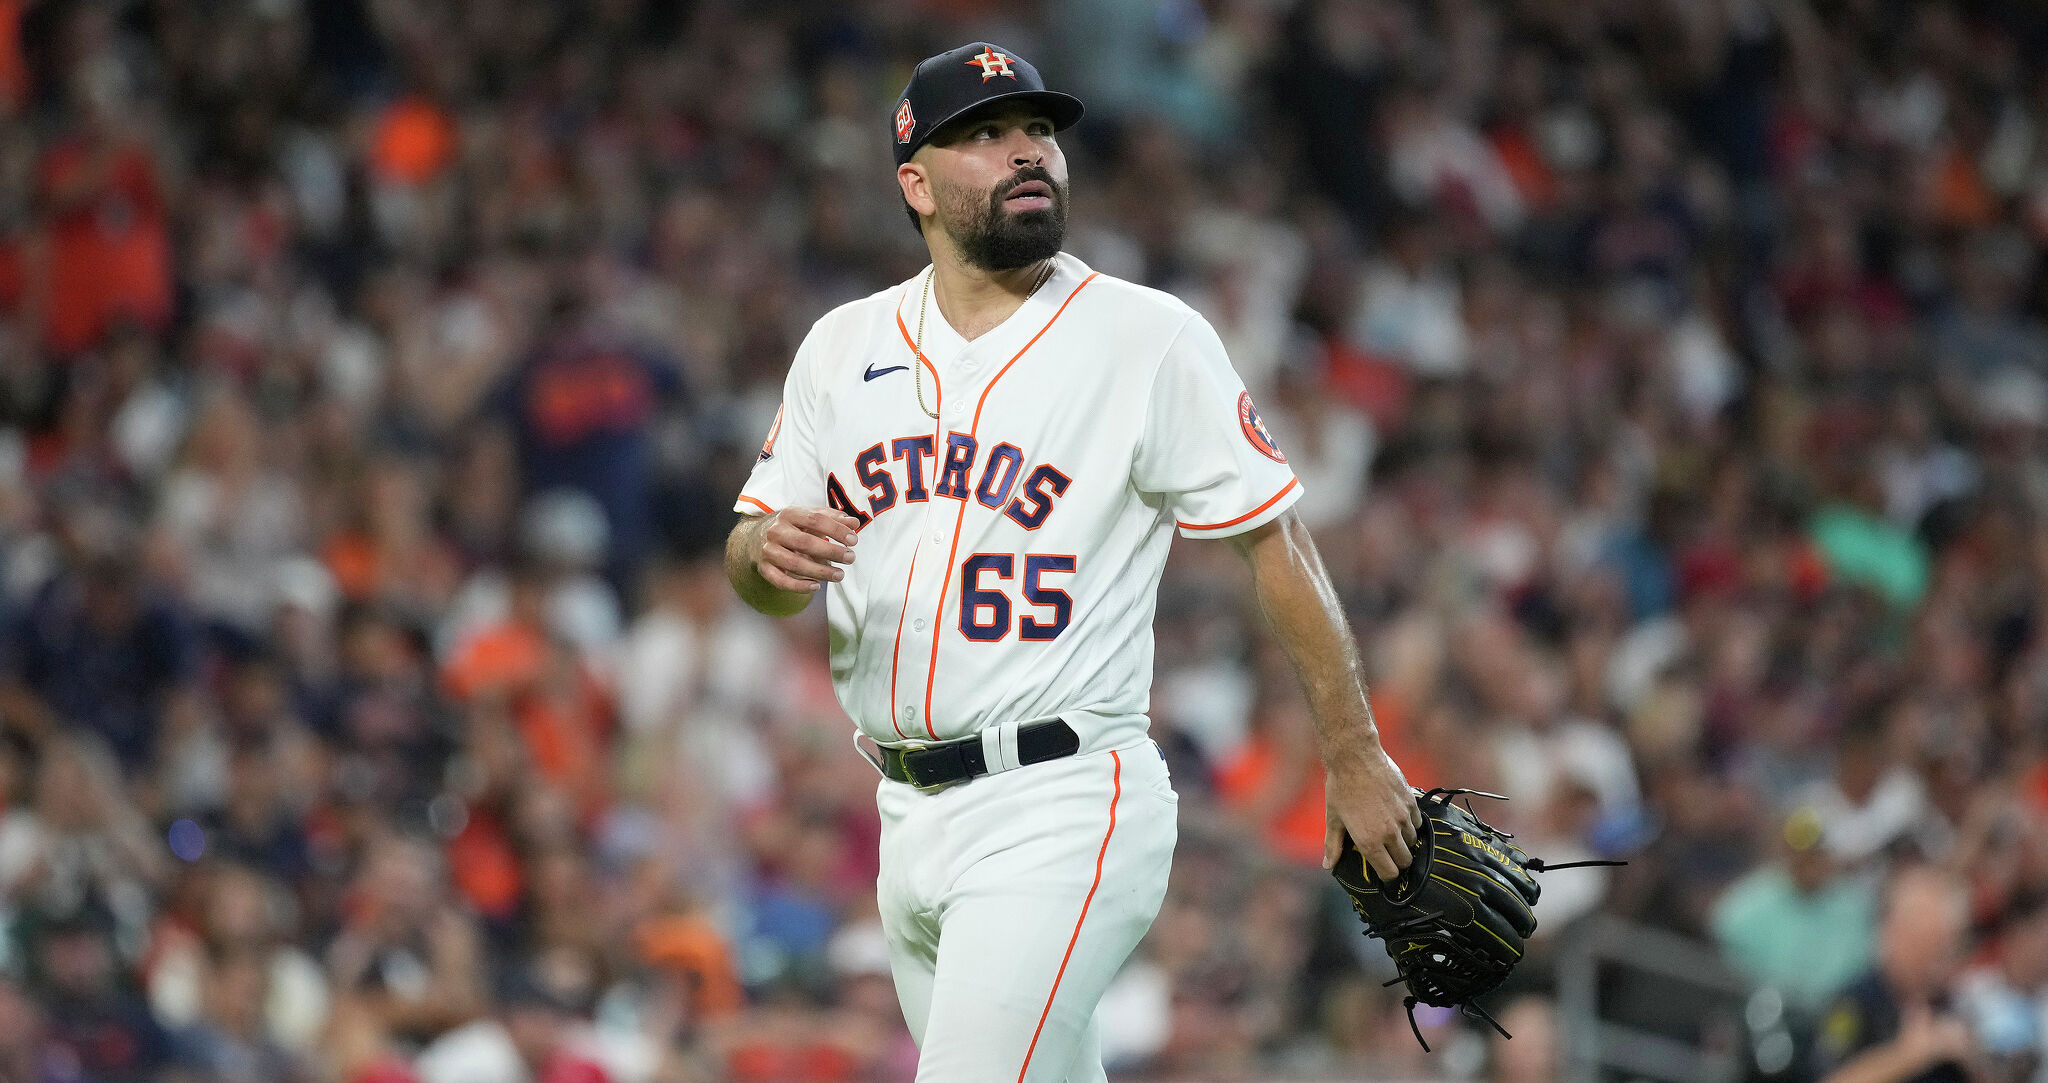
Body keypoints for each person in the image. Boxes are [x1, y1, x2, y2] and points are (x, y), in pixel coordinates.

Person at [722, 41, 1417, 1081]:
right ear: (913, 182)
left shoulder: (1146, 337)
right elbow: (755, 572)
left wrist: (1353, 753)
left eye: (1037, 129)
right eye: (984, 135)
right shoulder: (839, 347)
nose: (1024, 151)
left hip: (1061, 799)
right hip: (904, 813)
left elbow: (1273, 544)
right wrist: (761, 555)